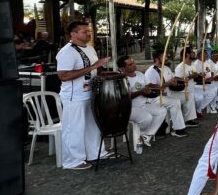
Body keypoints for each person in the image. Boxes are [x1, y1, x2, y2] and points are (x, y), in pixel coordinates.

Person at [56, 21, 112, 170]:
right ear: (73, 34)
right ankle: (72, 161)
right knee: (74, 128)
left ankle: (96, 153)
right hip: (74, 96)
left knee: (93, 126)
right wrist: (94, 66)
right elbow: (64, 76)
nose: (88, 34)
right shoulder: (67, 51)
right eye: (84, 31)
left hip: (90, 94)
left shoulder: (90, 48)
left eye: (89, 31)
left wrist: (103, 71)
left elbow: (94, 70)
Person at [117, 55, 168, 152]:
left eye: (133, 62)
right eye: (130, 64)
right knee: (147, 117)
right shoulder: (121, 79)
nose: (134, 65)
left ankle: (146, 135)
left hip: (144, 104)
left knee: (162, 110)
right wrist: (141, 92)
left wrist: (159, 87)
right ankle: (140, 134)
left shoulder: (139, 74)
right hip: (130, 108)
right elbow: (124, 98)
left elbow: (148, 85)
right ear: (123, 68)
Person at [145, 50, 199, 129]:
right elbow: (151, 87)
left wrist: (183, 79)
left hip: (170, 93)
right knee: (175, 102)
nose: (167, 58)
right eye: (164, 57)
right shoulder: (151, 71)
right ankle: (178, 128)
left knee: (189, 95)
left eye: (167, 56)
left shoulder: (166, 68)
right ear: (156, 59)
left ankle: (188, 120)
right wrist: (168, 83)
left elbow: (174, 78)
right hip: (158, 97)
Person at [174, 48, 216, 116]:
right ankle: (190, 116)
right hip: (185, 91)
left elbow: (195, 78)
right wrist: (190, 76)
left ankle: (198, 110)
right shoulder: (180, 67)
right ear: (187, 54)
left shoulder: (192, 65)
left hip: (193, 88)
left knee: (211, 92)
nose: (194, 54)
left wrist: (199, 75)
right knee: (199, 98)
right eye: (192, 52)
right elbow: (177, 80)